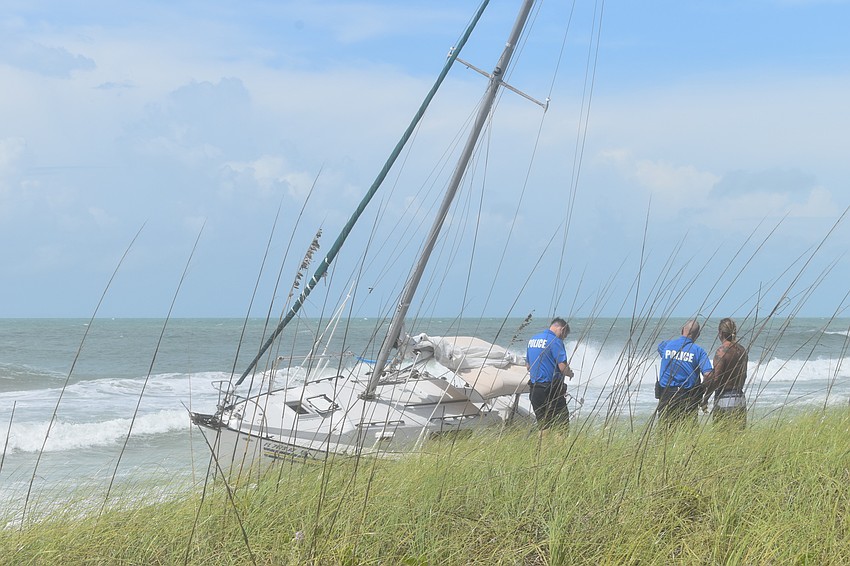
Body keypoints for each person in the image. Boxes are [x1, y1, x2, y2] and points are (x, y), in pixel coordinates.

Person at [655, 319, 713, 426]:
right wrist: (703, 389)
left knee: (664, 432)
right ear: (698, 335)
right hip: (688, 397)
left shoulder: (666, 346)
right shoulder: (698, 351)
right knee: (687, 432)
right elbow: (708, 374)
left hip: (666, 395)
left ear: (682, 330)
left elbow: (660, 347)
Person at [526, 317, 574, 430]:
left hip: (535, 390)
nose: (563, 338)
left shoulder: (533, 340)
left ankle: (542, 448)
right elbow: (562, 368)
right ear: (562, 329)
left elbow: (528, 367)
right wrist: (570, 373)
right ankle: (560, 448)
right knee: (562, 426)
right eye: (564, 336)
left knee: (543, 426)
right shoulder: (555, 341)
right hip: (551, 390)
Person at [701, 318, 748, 428]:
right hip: (740, 397)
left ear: (721, 333)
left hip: (724, 399)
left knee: (721, 436)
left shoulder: (721, 351)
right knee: (738, 437)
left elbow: (717, 379)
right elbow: (744, 375)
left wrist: (705, 399)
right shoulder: (742, 350)